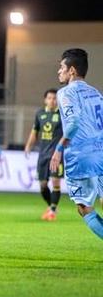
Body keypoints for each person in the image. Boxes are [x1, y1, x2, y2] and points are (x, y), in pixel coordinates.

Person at [50, 48, 103, 240]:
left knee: (84, 208)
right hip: (100, 154)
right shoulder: (95, 92)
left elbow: (73, 122)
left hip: (80, 157)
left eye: (61, 67)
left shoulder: (65, 93)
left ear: (71, 70)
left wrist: (59, 148)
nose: (59, 71)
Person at [24, 89, 64, 221]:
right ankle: (51, 206)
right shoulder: (40, 114)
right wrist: (29, 146)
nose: (52, 100)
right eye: (50, 98)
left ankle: (52, 211)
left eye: (54, 98)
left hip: (57, 155)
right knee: (42, 185)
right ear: (45, 100)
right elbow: (34, 131)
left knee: (55, 181)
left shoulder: (62, 114)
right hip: (43, 155)